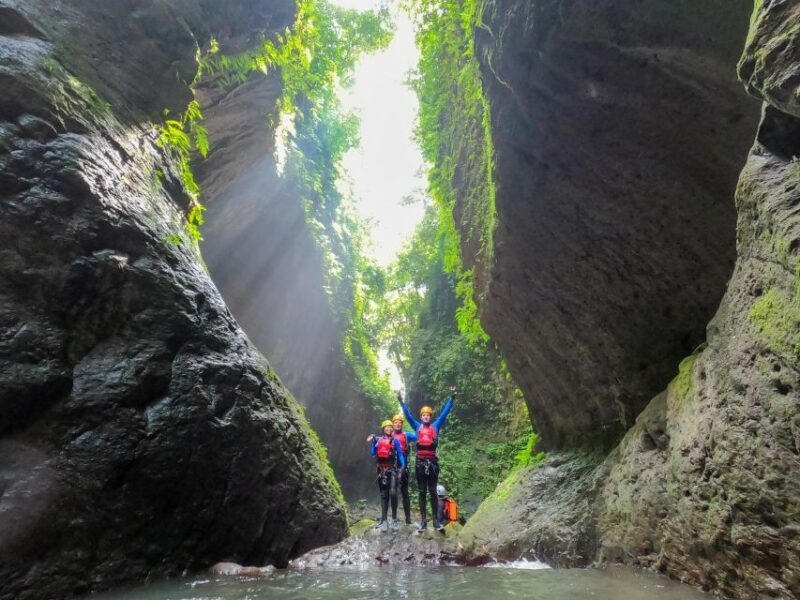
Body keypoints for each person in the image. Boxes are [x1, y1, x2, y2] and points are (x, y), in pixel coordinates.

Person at [400, 386, 455, 532]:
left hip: (432, 464)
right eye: (424, 415)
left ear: (430, 417)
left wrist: (452, 398)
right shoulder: (417, 427)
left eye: (428, 415)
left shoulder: (435, 426)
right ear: (421, 417)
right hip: (420, 463)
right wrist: (401, 401)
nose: (426, 417)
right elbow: (408, 415)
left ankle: (436, 521)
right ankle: (423, 521)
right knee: (422, 491)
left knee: (432, 492)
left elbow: (444, 413)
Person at [366, 420, 406, 532]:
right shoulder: (378, 440)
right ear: (383, 429)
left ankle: (394, 519)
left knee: (393, 493)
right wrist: (373, 442)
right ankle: (384, 520)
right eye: (386, 427)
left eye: (390, 427)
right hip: (381, 471)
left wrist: (403, 466)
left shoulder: (395, 441)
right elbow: (373, 453)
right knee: (384, 495)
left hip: (392, 470)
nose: (388, 429)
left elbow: (400, 454)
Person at [390, 411, 416, 525]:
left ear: (402, 424)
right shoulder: (389, 436)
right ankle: (394, 518)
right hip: (391, 468)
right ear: (393, 424)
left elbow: (418, 435)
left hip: (403, 468)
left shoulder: (406, 435)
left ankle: (408, 518)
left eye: (399, 422)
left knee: (405, 493)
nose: (398, 424)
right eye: (396, 422)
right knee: (393, 492)